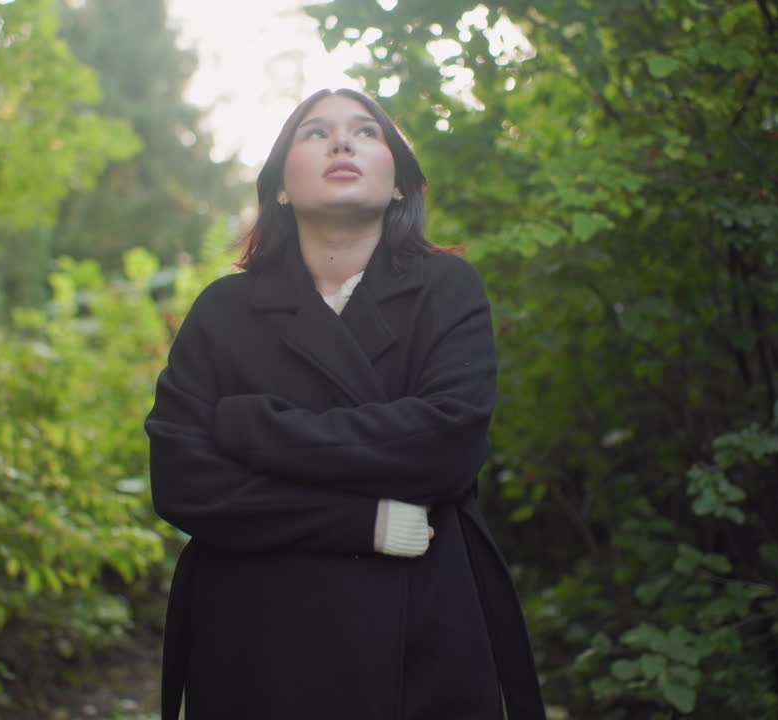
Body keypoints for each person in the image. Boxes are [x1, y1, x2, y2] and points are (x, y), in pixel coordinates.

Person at [144, 87, 545, 720]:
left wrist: (252, 428)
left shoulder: (447, 288)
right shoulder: (222, 311)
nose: (341, 142)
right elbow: (183, 483)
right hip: (255, 637)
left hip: (422, 624)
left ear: (398, 183)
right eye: (315, 132)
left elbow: (445, 445)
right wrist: (365, 524)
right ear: (280, 187)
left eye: (365, 131)